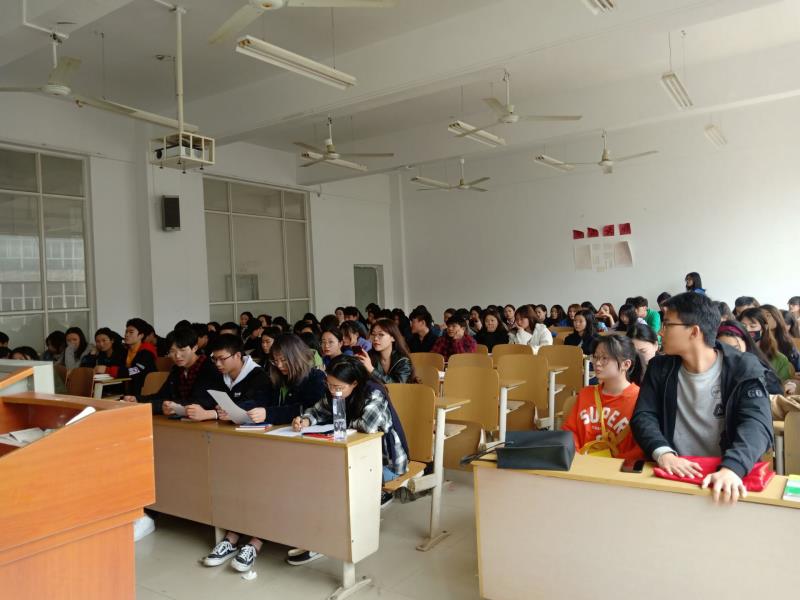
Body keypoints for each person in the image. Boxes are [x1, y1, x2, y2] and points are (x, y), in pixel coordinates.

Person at [631, 292, 773, 504]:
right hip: (674, 473)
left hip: (725, 475)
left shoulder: (743, 368)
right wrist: (664, 453)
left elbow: (757, 423)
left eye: (667, 324)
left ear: (694, 331)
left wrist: (733, 468)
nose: (660, 332)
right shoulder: (660, 367)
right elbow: (644, 415)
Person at [288, 355, 409, 565]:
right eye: (329, 385)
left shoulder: (374, 393)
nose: (333, 391)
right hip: (353, 458)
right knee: (314, 476)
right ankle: (315, 535)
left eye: (338, 387)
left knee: (333, 484)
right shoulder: (335, 392)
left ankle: (323, 541)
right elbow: (318, 411)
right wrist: (305, 420)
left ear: (354, 383)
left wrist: (340, 421)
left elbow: (367, 426)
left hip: (385, 463)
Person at [562, 334, 644, 459]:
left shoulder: (639, 399)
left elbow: (641, 447)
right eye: (595, 357)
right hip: (583, 464)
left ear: (626, 365)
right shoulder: (586, 394)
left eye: (605, 358)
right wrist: (578, 458)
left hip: (620, 468)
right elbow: (570, 432)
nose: (597, 363)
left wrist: (616, 466)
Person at [132, 327, 225, 417]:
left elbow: (199, 401)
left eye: (182, 350)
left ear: (195, 348)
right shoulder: (176, 369)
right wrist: (137, 400)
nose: (177, 356)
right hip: (181, 418)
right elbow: (162, 395)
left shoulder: (208, 368)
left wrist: (161, 406)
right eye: (172, 351)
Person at [264, 334, 327, 425]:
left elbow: (308, 409)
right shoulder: (276, 378)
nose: (279, 365)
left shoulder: (315, 377)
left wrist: (268, 413)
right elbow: (263, 400)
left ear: (297, 356)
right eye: (275, 361)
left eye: (283, 360)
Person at [716, 320, 783, 394]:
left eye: (736, 348)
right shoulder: (713, 373)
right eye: (723, 349)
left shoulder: (760, 373)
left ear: (746, 343)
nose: (730, 354)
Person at [739, 308, 793, 382]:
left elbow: (783, 385)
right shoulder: (734, 354)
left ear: (765, 327)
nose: (747, 330)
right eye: (743, 326)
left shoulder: (779, 359)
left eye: (752, 326)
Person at [357, 318, 415, 384]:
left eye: (381, 334)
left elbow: (397, 385)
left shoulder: (403, 360)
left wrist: (371, 369)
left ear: (393, 338)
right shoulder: (370, 356)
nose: (375, 338)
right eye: (373, 334)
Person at [119, 318, 158, 398]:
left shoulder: (147, 351)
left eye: (131, 332)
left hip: (144, 391)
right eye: (126, 332)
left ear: (141, 335)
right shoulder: (125, 351)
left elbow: (136, 370)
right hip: (128, 389)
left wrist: (114, 371)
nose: (126, 335)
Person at [761, 304, 800, 371]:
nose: (765, 319)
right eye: (761, 316)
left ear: (777, 317)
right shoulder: (757, 342)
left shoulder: (789, 342)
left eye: (768, 315)